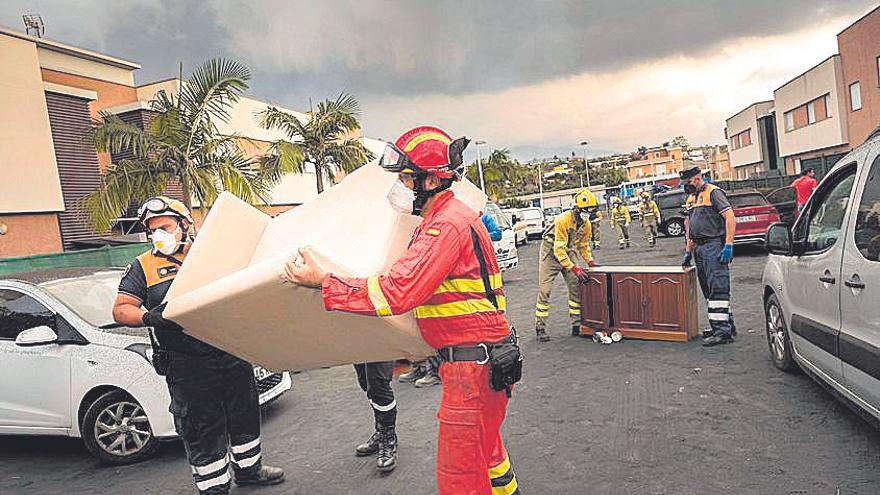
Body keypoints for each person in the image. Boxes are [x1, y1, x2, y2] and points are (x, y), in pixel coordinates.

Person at [283, 126, 521, 495]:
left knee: (459, 477)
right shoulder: (449, 218)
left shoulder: (444, 226)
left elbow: (396, 291)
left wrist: (324, 282)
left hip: (471, 373)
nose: (401, 186)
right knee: (488, 456)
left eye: (407, 178)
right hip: (483, 362)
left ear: (431, 180)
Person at [112, 196, 284, 495]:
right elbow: (121, 309)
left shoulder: (210, 256)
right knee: (201, 425)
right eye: (152, 231)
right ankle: (213, 486)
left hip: (229, 349)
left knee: (244, 412)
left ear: (184, 225)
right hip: (187, 363)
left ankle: (249, 470)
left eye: (164, 227)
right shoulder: (143, 266)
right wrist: (150, 317)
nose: (158, 235)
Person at [679, 167, 738, 347]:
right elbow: (689, 226)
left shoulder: (714, 193)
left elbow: (730, 218)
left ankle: (722, 333)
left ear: (697, 179)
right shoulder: (691, 198)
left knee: (717, 288)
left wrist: (728, 244)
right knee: (708, 289)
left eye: (687, 183)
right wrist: (688, 251)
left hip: (714, 245)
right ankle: (723, 325)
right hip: (699, 247)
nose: (685, 187)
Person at [534, 189, 599, 342]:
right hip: (551, 252)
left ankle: (577, 325)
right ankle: (540, 327)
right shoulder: (563, 220)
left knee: (576, 286)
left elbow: (583, 245)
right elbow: (558, 250)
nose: (587, 214)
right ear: (576, 209)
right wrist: (574, 267)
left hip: (568, 251)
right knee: (545, 290)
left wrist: (590, 261)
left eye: (590, 211)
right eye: (585, 211)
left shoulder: (586, 224)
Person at [353, 360, 399, 472]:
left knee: (378, 384)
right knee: (365, 382)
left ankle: (388, 438)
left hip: (381, 345)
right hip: (357, 344)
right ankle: (380, 431)